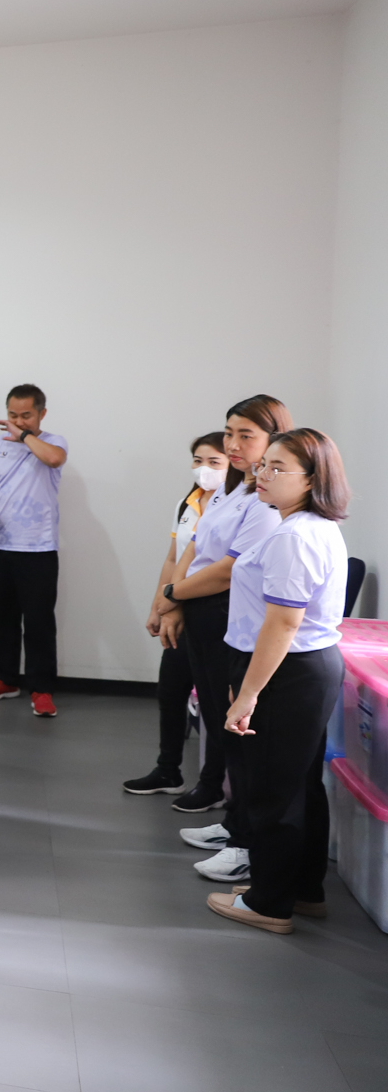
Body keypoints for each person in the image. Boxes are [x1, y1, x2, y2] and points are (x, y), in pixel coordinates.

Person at [206, 429, 349, 933]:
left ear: (312, 479)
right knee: (299, 783)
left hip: (285, 671)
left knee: (272, 789)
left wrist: (248, 693)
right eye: (262, 464)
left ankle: (268, 903)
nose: (261, 474)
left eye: (276, 467)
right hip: (304, 668)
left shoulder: (293, 536)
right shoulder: (311, 525)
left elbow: (283, 623)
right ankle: (303, 889)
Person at [155, 395, 289, 876]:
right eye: (229, 433)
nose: (233, 444)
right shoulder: (234, 488)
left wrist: (172, 593)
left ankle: (247, 842)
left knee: (238, 734)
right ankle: (234, 824)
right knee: (216, 720)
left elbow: (229, 570)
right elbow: (194, 547)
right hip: (201, 609)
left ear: (274, 439)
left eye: (245, 435)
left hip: (226, 611)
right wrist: (173, 602)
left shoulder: (266, 503)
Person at [122, 432, 228, 797]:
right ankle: (168, 770)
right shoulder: (189, 502)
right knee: (170, 690)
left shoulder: (235, 506)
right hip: (178, 608)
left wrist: (175, 603)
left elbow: (217, 568)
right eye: (198, 460)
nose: (203, 468)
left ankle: (213, 784)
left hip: (210, 611)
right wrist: (159, 606)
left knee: (214, 704)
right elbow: (173, 558)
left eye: (214, 461)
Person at [0, 383, 68, 717]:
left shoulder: (53, 443)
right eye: (12, 415)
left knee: (39, 623)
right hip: (0, 546)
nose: (17, 421)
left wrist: (24, 435)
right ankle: (5, 679)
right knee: (0, 617)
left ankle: (41, 689)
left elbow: (53, 460)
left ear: (42, 413)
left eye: (26, 415)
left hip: (39, 549)